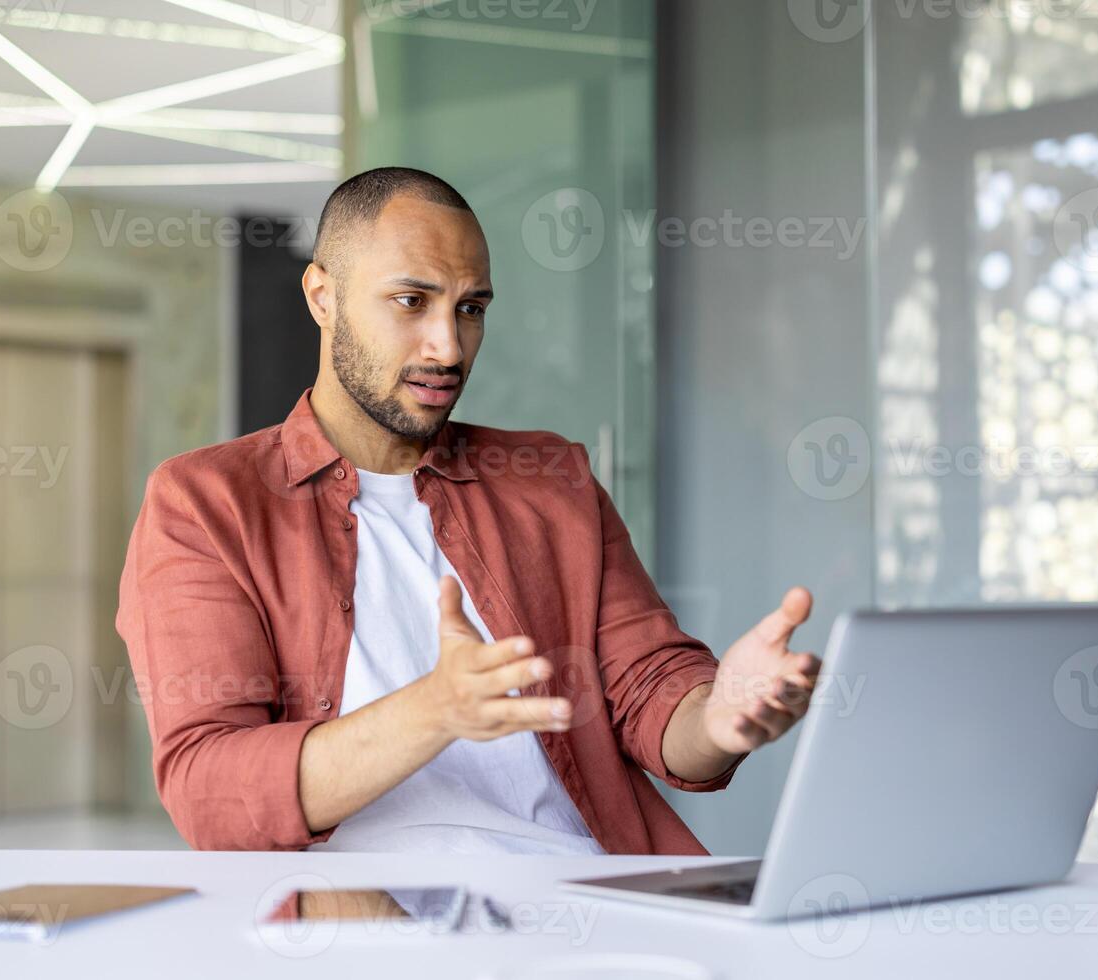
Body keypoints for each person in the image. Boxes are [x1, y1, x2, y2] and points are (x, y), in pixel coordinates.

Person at [116, 167, 821, 856]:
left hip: (578, 902)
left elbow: (649, 694)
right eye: (411, 301)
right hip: (355, 922)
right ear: (322, 297)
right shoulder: (206, 503)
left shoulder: (553, 481)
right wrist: (436, 709)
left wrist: (721, 717)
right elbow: (208, 786)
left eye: (470, 308)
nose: (447, 348)